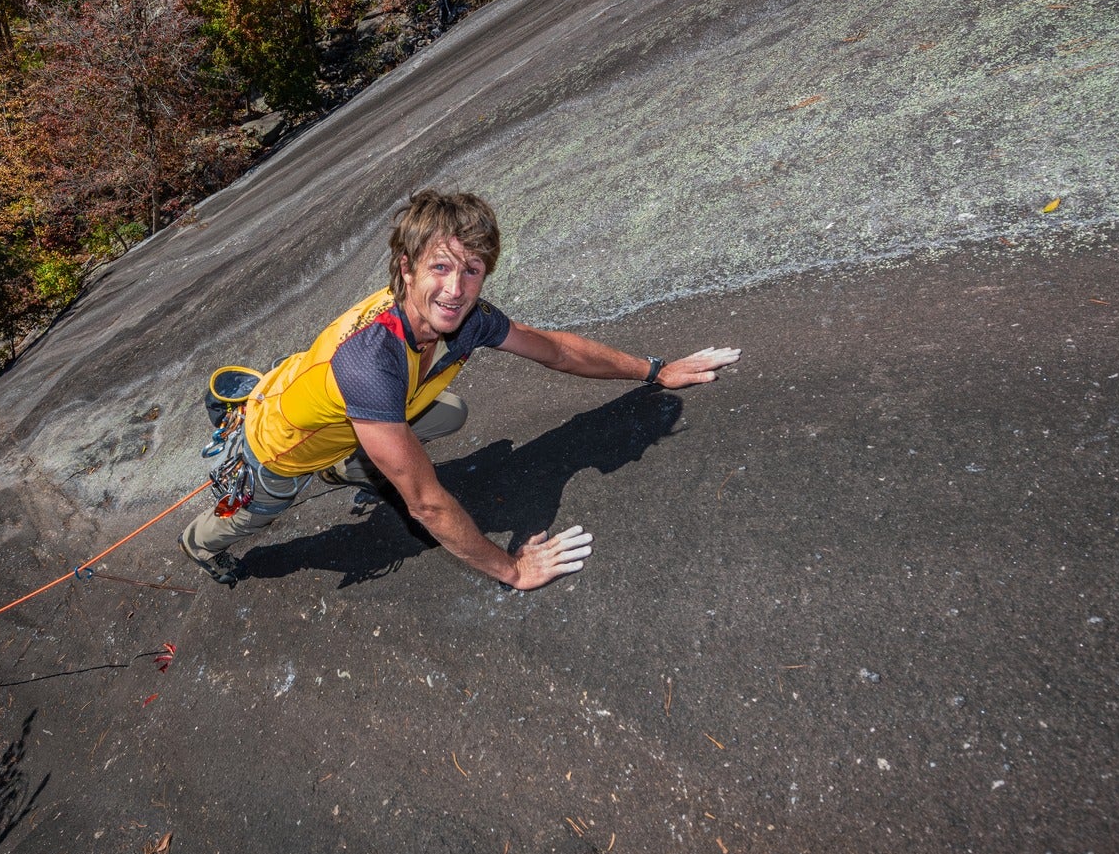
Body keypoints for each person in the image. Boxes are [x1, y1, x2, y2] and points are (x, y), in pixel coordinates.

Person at [180, 189, 740, 589]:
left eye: (472, 270)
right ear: (406, 268)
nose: (456, 288)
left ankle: (351, 462)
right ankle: (200, 545)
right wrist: (512, 568)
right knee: (255, 517)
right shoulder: (370, 362)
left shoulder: (466, 319)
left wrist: (654, 370)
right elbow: (424, 502)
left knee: (448, 413)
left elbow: (557, 350)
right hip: (280, 446)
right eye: (441, 267)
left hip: (350, 415)